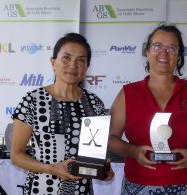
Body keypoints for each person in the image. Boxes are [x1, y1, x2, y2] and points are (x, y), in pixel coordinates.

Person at [108, 24, 187, 194]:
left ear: (178, 56)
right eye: (157, 46)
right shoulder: (129, 93)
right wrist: (133, 151)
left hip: (185, 185)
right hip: (137, 185)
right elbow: (111, 138)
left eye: (171, 48)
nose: (164, 53)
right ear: (147, 51)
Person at [10, 33, 114, 195]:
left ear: (87, 66)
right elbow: (16, 155)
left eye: (81, 60)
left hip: (82, 190)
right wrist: (51, 168)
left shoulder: (95, 104)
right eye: (66, 58)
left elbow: (94, 157)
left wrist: (103, 170)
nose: (73, 65)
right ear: (53, 62)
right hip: (42, 189)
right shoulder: (32, 100)